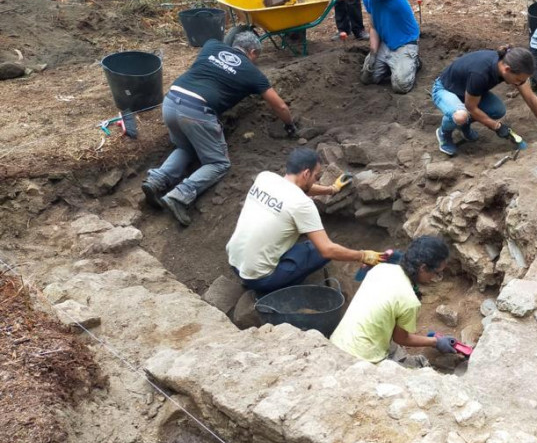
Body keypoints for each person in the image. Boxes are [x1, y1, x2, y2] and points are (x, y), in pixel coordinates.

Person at [142, 32, 297, 227]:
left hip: (171, 101)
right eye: (256, 56)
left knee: (187, 147)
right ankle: (180, 195)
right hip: (196, 111)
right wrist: (290, 125)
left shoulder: (211, 45)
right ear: (253, 52)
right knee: (218, 163)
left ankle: (156, 182)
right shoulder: (253, 73)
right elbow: (280, 106)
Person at [226, 148, 387, 295]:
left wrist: (331, 189)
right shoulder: (303, 205)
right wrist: (363, 255)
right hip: (259, 279)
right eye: (316, 177)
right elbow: (328, 250)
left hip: (234, 263)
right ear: (306, 173)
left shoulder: (265, 178)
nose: (316, 181)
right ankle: (277, 292)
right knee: (317, 251)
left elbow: (300, 187)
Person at [329, 235, 458, 368]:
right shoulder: (409, 300)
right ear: (423, 268)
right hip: (363, 360)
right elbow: (401, 338)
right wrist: (435, 342)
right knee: (417, 370)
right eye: (437, 273)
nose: (435, 278)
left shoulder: (380, 269)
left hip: (337, 343)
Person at [299, 0, 420, 94]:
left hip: (404, 43)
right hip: (387, 43)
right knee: (367, 78)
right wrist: (373, 52)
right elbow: (374, 25)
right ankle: (393, 64)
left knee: (400, 86)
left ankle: (413, 62)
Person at [432, 46, 537, 157]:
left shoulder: (510, 65)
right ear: (507, 70)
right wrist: (497, 126)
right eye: (519, 80)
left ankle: (464, 126)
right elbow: (471, 107)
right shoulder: (480, 73)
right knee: (461, 115)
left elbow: (530, 97)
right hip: (445, 90)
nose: (520, 83)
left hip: (469, 92)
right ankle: (444, 133)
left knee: (497, 110)